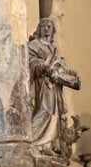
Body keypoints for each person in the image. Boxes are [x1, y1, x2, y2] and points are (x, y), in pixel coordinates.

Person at [28, 18, 80, 150]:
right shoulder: (33, 45)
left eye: (49, 26)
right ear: (39, 28)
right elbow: (30, 63)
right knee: (44, 112)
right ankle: (34, 142)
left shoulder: (53, 48)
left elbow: (61, 67)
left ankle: (47, 146)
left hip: (55, 86)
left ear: (53, 30)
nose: (46, 28)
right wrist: (43, 66)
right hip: (42, 84)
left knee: (54, 115)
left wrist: (69, 73)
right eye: (44, 26)